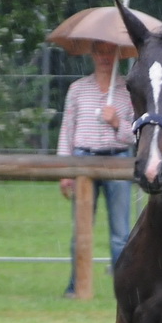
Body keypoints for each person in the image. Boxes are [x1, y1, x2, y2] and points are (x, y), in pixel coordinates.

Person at [57, 41, 135, 297]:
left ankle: (122, 289)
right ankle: (75, 285)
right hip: (82, 160)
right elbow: (67, 129)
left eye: (110, 52)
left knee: (120, 233)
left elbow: (136, 134)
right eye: (100, 52)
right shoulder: (78, 89)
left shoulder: (128, 91)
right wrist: (65, 169)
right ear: (92, 55)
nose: (105, 57)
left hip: (118, 160)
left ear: (119, 55)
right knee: (81, 229)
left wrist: (117, 123)